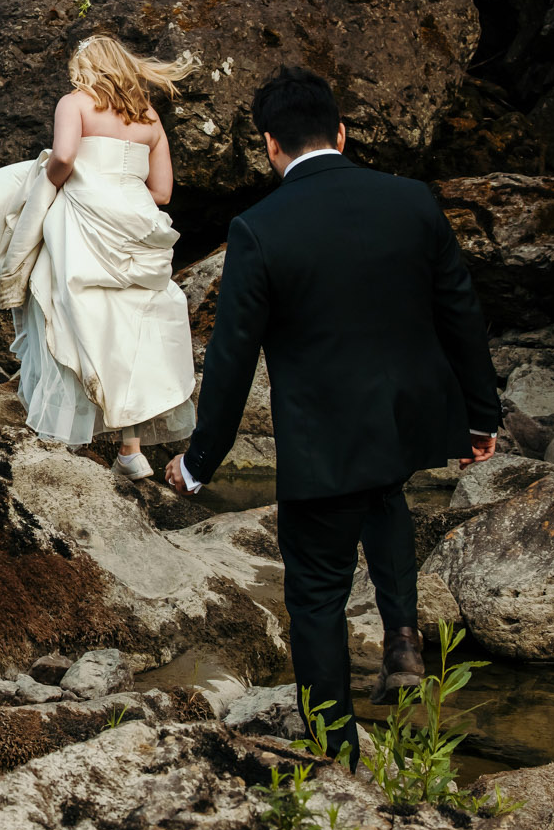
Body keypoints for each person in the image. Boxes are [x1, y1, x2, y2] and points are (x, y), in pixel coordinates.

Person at [170, 66, 500, 757]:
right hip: (405, 416)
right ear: (341, 132)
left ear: (269, 145)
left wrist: (200, 462)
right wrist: (479, 416)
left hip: (323, 436)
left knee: (317, 591)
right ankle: (402, 636)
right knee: (384, 494)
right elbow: (461, 310)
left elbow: (230, 361)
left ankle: (332, 749)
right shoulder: (410, 201)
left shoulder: (258, 229)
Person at [0, 35, 198, 477]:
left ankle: (62, 431)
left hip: (83, 218)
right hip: (136, 224)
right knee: (127, 326)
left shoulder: (74, 103)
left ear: (85, 66)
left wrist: (46, 183)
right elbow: (163, 193)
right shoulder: (150, 118)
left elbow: (65, 156)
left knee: (67, 310)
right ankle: (131, 451)